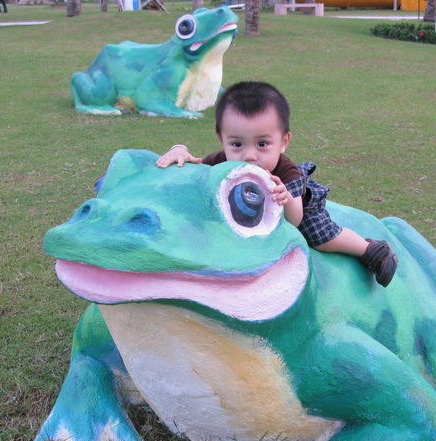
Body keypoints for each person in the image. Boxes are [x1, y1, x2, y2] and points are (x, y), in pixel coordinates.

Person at [155, 81, 397, 287]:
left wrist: (286, 198)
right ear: (222, 139)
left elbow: (295, 220)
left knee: (319, 236)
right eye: (237, 144)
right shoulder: (223, 161)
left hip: (298, 205)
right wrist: (180, 149)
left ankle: (370, 250)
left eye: (262, 144)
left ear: (283, 142)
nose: (249, 155)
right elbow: (197, 167)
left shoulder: (287, 173)